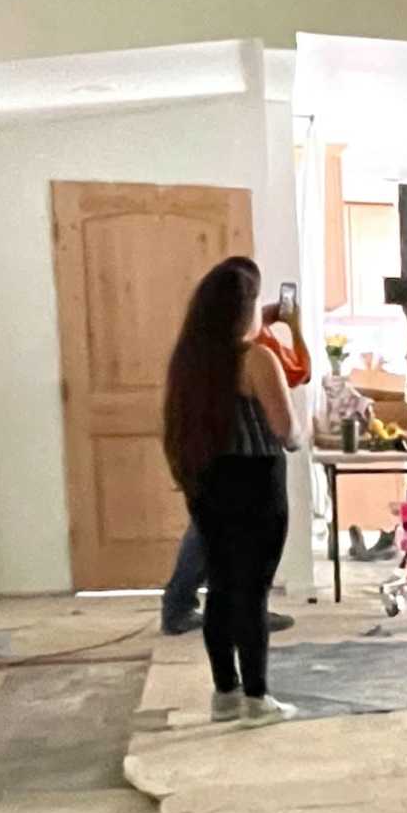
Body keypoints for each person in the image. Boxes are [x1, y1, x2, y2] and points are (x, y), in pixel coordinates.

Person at [162, 254, 298, 724]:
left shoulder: (190, 362)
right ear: (245, 309)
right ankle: (258, 698)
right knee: (253, 592)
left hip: (207, 482)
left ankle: (225, 692)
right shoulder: (257, 359)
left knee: (220, 586)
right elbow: (288, 432)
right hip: (256, 482)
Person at [163, 290, 313, 638]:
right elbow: (288, 421)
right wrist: (298, 436)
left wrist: (269, 317)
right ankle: (237, 612)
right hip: (247, 464)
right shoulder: (253, 358)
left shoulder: (196, 355)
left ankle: (187, 607)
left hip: (208, 459)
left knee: (209, 535)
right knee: (240, 543)